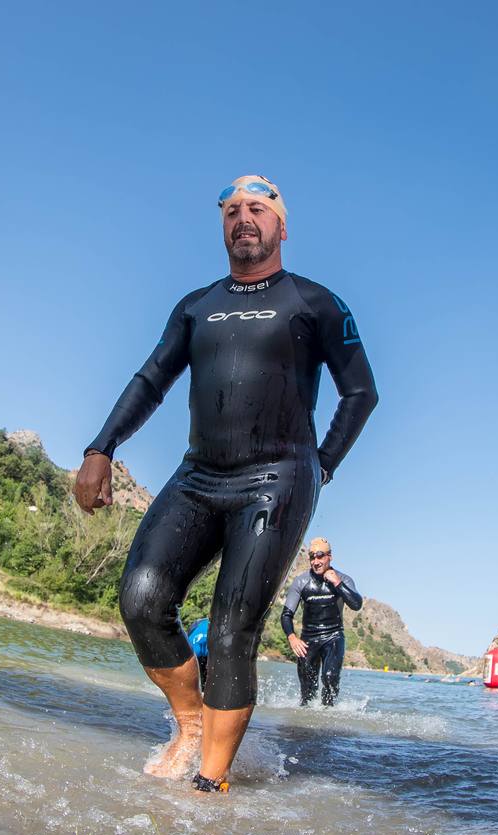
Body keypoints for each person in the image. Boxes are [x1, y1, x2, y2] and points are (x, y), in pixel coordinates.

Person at [73, 175, 378, 792]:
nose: (245, 218)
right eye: (233, 210)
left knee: (234, 621)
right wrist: (101, 447)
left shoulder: (316, 303)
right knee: (141, 597)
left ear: (281, 226)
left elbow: (361, 392)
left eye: (259, 209)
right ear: (222, 226)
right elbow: (151, 379)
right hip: (198, 476)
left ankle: (210, 783)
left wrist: (323, 463)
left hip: (277, 479)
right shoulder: (196, 306)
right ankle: (189, 724)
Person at [281, 537, 362, 707]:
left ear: (329, 556)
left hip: (333, 636)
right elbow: (286, 614)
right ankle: (305, 728)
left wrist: (337, 583)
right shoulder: (301, 582)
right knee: (307, 690)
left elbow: (356, 604)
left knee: (330, 677)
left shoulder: (343, 579)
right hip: (308, 639)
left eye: (320, 556)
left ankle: (327, 722)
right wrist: (292, 638)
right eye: (312, 557)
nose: (316, 561)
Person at [187, 617, 210, 690]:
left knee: (196, 680)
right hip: (210, 646)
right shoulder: (215, 623)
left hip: (193, 646)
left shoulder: (197, 623)